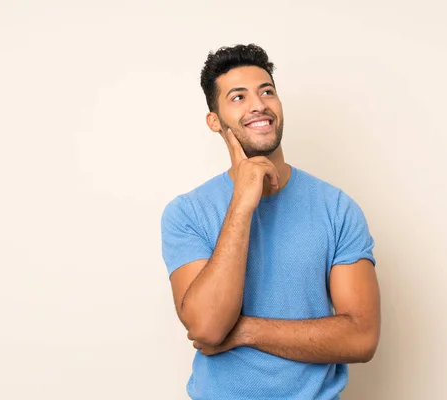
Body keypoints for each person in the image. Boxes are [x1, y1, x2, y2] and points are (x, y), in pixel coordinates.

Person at [160, 43, 381, 400]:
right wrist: (242, 205)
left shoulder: (337, 207)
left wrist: (245, 330)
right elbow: (207, 326)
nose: (259, 104)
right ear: (214, 121)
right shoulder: (187, 212)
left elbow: (361, 337)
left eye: (267, 92)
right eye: (238, 97)